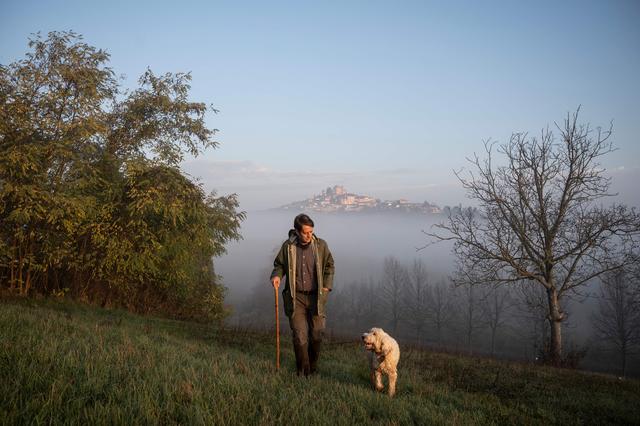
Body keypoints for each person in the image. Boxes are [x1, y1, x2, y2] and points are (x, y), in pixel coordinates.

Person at [270, 213, 335, 376]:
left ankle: (312, 367)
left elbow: (329, 265)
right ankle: (303, 371)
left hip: (316, 298)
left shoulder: (321, 245)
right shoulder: (288, 246)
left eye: (311, 231)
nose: (309, 235)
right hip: (295, 297)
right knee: (300, 336)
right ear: (297, 231)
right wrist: (276, 275)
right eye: (305, 232)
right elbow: (279, 265)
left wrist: (326, 287)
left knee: (317, 334)